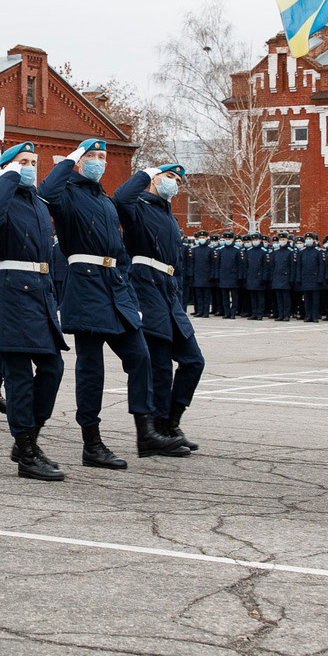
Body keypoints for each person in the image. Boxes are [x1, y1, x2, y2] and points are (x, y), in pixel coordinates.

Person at [44, 139, 184, 466]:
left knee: (140, 357)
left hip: (115, 291)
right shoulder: (67, 193)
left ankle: (146, 431)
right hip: (86, 287)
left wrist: (128, 291)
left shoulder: (104, 199)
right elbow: (47, 192)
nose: (98, 161)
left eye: (102, 157)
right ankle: (91, 443)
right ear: (79, 161)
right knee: (92, 371)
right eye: (91, 156)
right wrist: (72, 157)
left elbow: (119, 252)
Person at [0, 142, 67, 479]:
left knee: (53, 368)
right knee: (18, 376)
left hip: (40, 294)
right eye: (23, 162)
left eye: (33, 162)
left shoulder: (35, 201)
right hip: (14, 293)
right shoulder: (1, 196)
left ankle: (29, 438)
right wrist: (8, 174)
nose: (30, 167)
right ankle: (27, 454)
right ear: (7, 168)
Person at [119, 160, 204, 449]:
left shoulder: (170, 216)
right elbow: (120, 197)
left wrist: (178, 295)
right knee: (161, 366)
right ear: (155, 180)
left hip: (168, 292)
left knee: (193, 361)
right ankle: (156, 430)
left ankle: (170, 422)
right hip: (146, 286)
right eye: (167, 177)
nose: (173, 183)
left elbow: (176, 263)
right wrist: (146, 173)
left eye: (176, 179)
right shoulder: (139, 206)